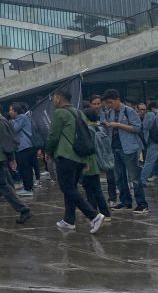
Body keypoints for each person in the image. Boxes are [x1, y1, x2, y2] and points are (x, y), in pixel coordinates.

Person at [46, 91, 104, 233]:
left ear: (59, 98)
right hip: (80, 156)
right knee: (71, 188)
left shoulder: (59, 113)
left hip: (66, 156)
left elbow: (53, 136)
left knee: (67, 188)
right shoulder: (79, 112)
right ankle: (69, 220)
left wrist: (48, 151)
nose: (53, 100)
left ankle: (94, 215)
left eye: (54, 98)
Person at [0, 99, 32, 225]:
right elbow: (9, 138)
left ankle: (24, 209)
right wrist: (12, 157)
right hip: (3, 155)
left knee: (3, 186)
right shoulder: (2, 119)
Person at [102, 89, 148, 214]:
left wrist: (118, 125)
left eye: (111, 102)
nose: (109, 105)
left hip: (129, 147)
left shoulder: (129, 111)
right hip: (115, 147)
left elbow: (137, 128)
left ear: (117, 99)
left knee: (134, 177)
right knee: (119, 177)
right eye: (107, 103)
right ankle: (125, 202)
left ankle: (142, 204)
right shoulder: (109, 112)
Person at [81, 108, 111, 221]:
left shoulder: (88, 129)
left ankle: (98, 213)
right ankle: (102, 213)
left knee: (91, 189)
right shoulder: (99, 127)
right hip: (96, 160)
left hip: (89, 162)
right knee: (95, 188)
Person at [9, 103, 35, 197]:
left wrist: (11, 122)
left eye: (11, 110)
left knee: (26, 168)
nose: (9, 112)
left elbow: (14, 129)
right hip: (22, 148)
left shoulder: (21, 117)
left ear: (16, 111)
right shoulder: (19, 118)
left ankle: (28, 189)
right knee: (23, 168)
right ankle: (27, 187)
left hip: (25, 147)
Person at [140, 102, 158, 184]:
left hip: (153, 141)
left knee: (149, 161)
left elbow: (145, 127)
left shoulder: (150, 115)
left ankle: (143, 180)